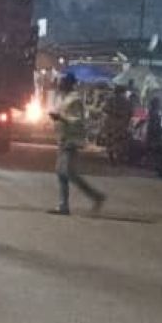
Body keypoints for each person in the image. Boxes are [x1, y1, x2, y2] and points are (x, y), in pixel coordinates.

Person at [49, 72, 105, 216]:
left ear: (69, 84)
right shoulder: (66, 98)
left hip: (71, 140)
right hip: (63, 138)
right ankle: (64, 205)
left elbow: (77, 120)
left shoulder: (75, 100)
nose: (60, 84)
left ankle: (95, 197)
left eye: (63, 82)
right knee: (62, 173)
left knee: (67, 173)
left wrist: (60, 117)